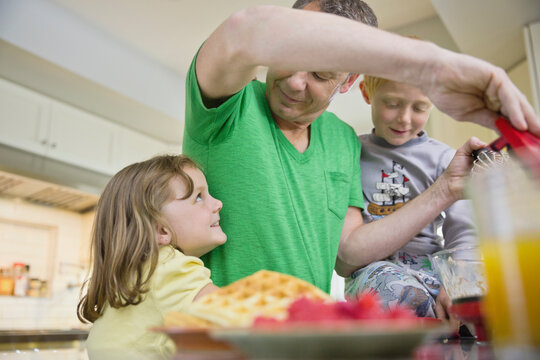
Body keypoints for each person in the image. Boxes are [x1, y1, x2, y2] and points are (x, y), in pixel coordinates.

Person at [182, 0, 540, 293]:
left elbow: (349, 253)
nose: (294, 82)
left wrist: (445, 189)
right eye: (289, 57)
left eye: (321, 74)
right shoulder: (226, 106)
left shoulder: (341, 138)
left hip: (308, 338)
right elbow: (245, 29)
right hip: (223, 334)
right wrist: (432, 66)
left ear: (350, 80)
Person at [344, 73, 477, 325]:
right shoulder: (351, 152)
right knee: (399, 295)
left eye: (419, 107)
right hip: (372, 271)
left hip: (433, 267)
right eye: (392, 104)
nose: (404, 118)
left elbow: (463, 229)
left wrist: (459, 283)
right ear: (366, 92)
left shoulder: (444, 158)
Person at [77, 155, 226, 359]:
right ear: (161, 230)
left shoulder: (128, 278)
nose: (218, 203)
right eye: (199, 197)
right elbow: (233, 317)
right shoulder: (166, 265)